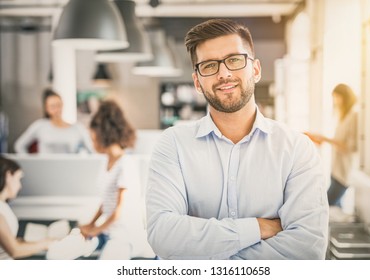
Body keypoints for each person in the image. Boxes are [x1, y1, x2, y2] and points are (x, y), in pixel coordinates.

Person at [146, 19, 329, 260]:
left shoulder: (296, 149)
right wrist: (258, 227)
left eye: (234, 60)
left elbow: (307, 249)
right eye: (210, 65)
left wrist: (202, 255)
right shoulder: (173, 145)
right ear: (197, 82)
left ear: (255, 69)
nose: (224, 73)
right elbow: (163, 236)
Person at [79, 100, 138, 260]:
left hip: (123, 235)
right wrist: (91, 224)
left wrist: (95, 230)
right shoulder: (107, 161)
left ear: (104, 135)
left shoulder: (126, 163)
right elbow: (106, 203)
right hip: (108, 231)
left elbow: (119, 210)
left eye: (93, 138)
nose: (92, 143)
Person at [305, 83, 358, 207]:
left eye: (336, 97)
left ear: (345, 97)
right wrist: (321, 140)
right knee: (336, 208)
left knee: (326, 205)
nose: (335, 101)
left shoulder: (354, 116)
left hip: (344, 173)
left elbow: (349, 147)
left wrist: (325, 139)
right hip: (336, 170)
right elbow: (339, 142)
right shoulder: (343, 116)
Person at [0, 156, 52, 259]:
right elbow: (14, 250)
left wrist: (31, 242)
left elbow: (8, 241)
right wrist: (46, 243)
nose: (20, 186)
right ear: (9, 175)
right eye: (18, 179)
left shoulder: (3, 206)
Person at [14, 88, 94, 154]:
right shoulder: (40, 126)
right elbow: (19, 146)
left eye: (59, 105)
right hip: (45, 170)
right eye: (53, 106)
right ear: (46, 108)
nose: (57, 109)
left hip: (70, 169)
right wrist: (30, 164)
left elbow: (92, 150)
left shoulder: (77, 128)